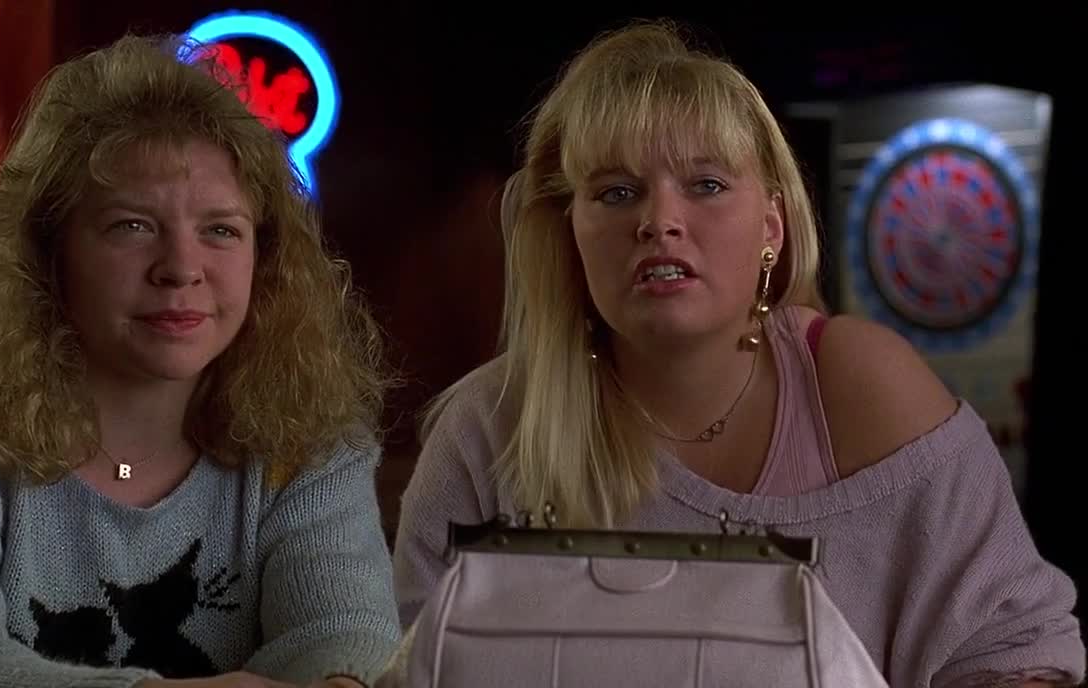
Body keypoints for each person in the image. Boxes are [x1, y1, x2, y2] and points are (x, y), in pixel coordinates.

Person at [391, 19, 1085, 687]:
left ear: (771, 230)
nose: (659, 221)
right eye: (617, 193)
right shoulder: (489, 430)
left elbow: (1014, 652)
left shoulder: (856, 385)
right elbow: (411, 663)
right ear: (570, 234)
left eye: (707, 185)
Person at [0, 33, 400, 688]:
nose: (181, 268)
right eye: (132, 226)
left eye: (221, 230)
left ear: (263, 259)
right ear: (49, 253)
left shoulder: (312, 445)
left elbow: (347, 642)